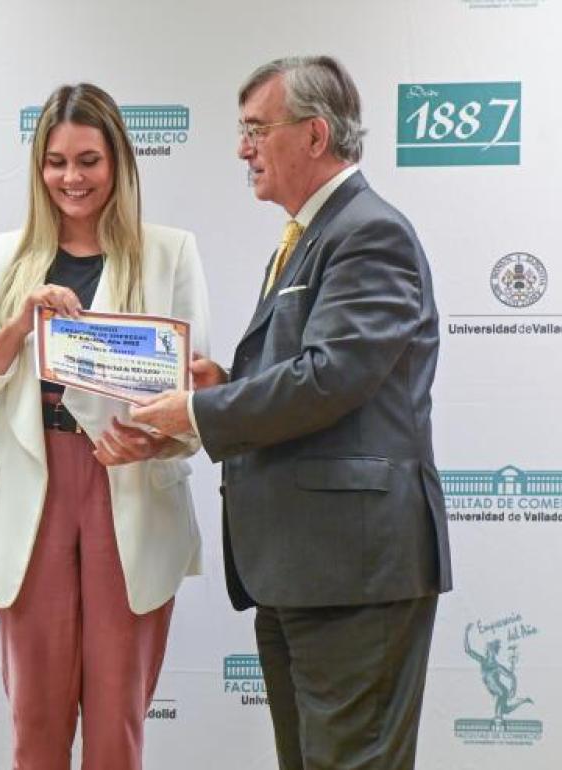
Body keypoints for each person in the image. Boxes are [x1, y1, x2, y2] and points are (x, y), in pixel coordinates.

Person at [131, 56, 452, 770]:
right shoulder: (311, 235)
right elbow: (313, 372)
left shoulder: (370, 232)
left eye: (255, 129)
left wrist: (198, 410)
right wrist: (223, 383)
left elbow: (330, 377)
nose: (243, 149)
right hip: (304, 568)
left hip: (353, 568)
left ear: (313, 135)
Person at [0, 83, 210, 770]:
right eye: (57, 162)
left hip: (129, 486)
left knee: (116, 730)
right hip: (34, 494)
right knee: (34, 726)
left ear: (119, 162)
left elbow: (194, 397)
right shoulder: (3, 256)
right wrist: (21, 321)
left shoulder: (170, 252)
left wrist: (155, 436)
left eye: (89, 160)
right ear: (39, 168)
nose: (73, 178)